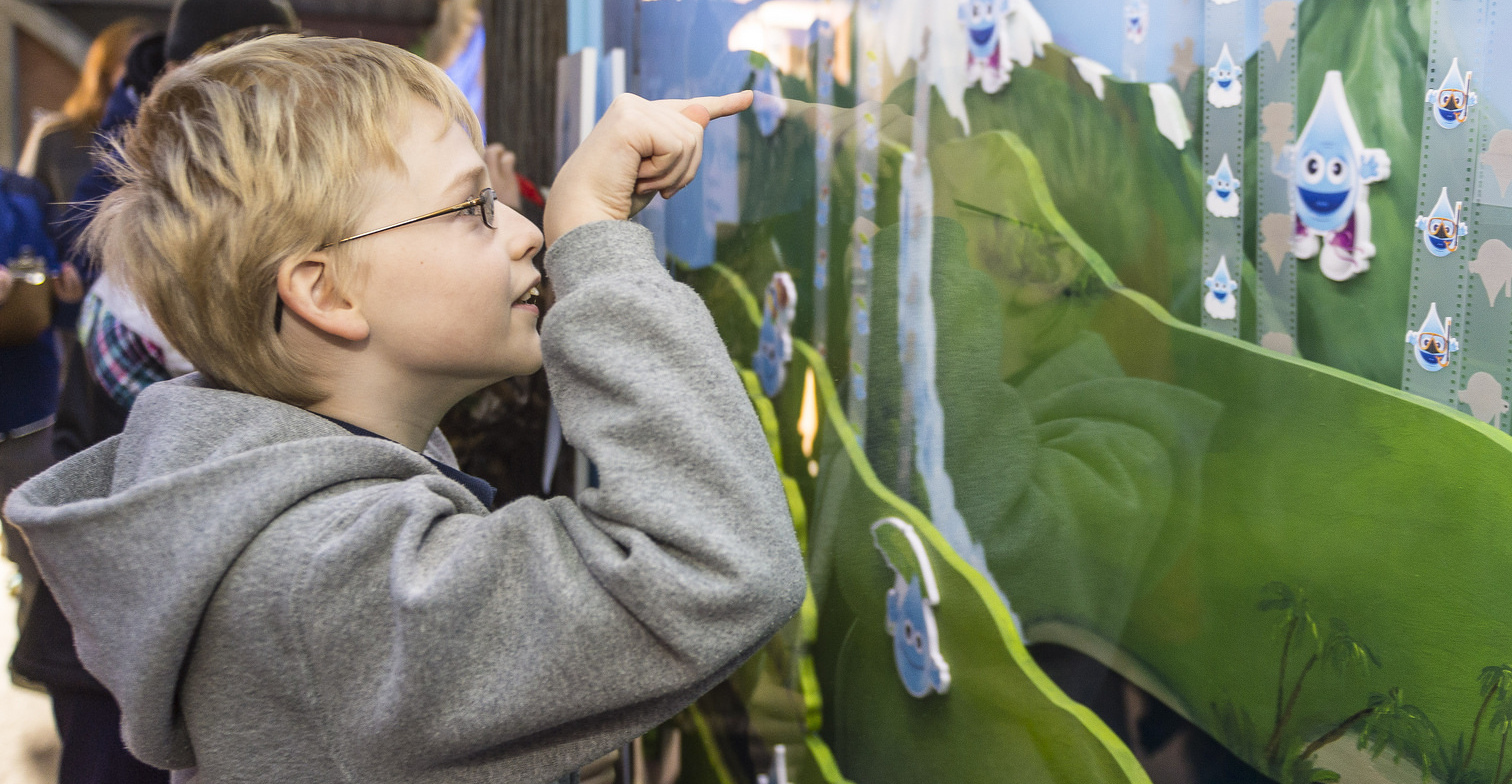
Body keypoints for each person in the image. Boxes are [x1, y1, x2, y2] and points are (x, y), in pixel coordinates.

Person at [7, 34, 803, 784]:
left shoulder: (282, 523)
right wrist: (593, 243)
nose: (528, 233)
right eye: (473, 207)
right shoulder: (326, 589)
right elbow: (715, 563)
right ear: (325, 291)